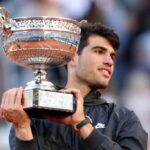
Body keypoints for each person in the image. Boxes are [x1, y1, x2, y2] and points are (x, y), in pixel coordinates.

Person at [0, 22, 148, 150]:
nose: (109, 61)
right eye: (99, 51)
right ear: (72, 58)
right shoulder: (32, 115)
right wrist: (22, 127)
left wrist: (82, 124)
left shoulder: (125, 120)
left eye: (112, 56)